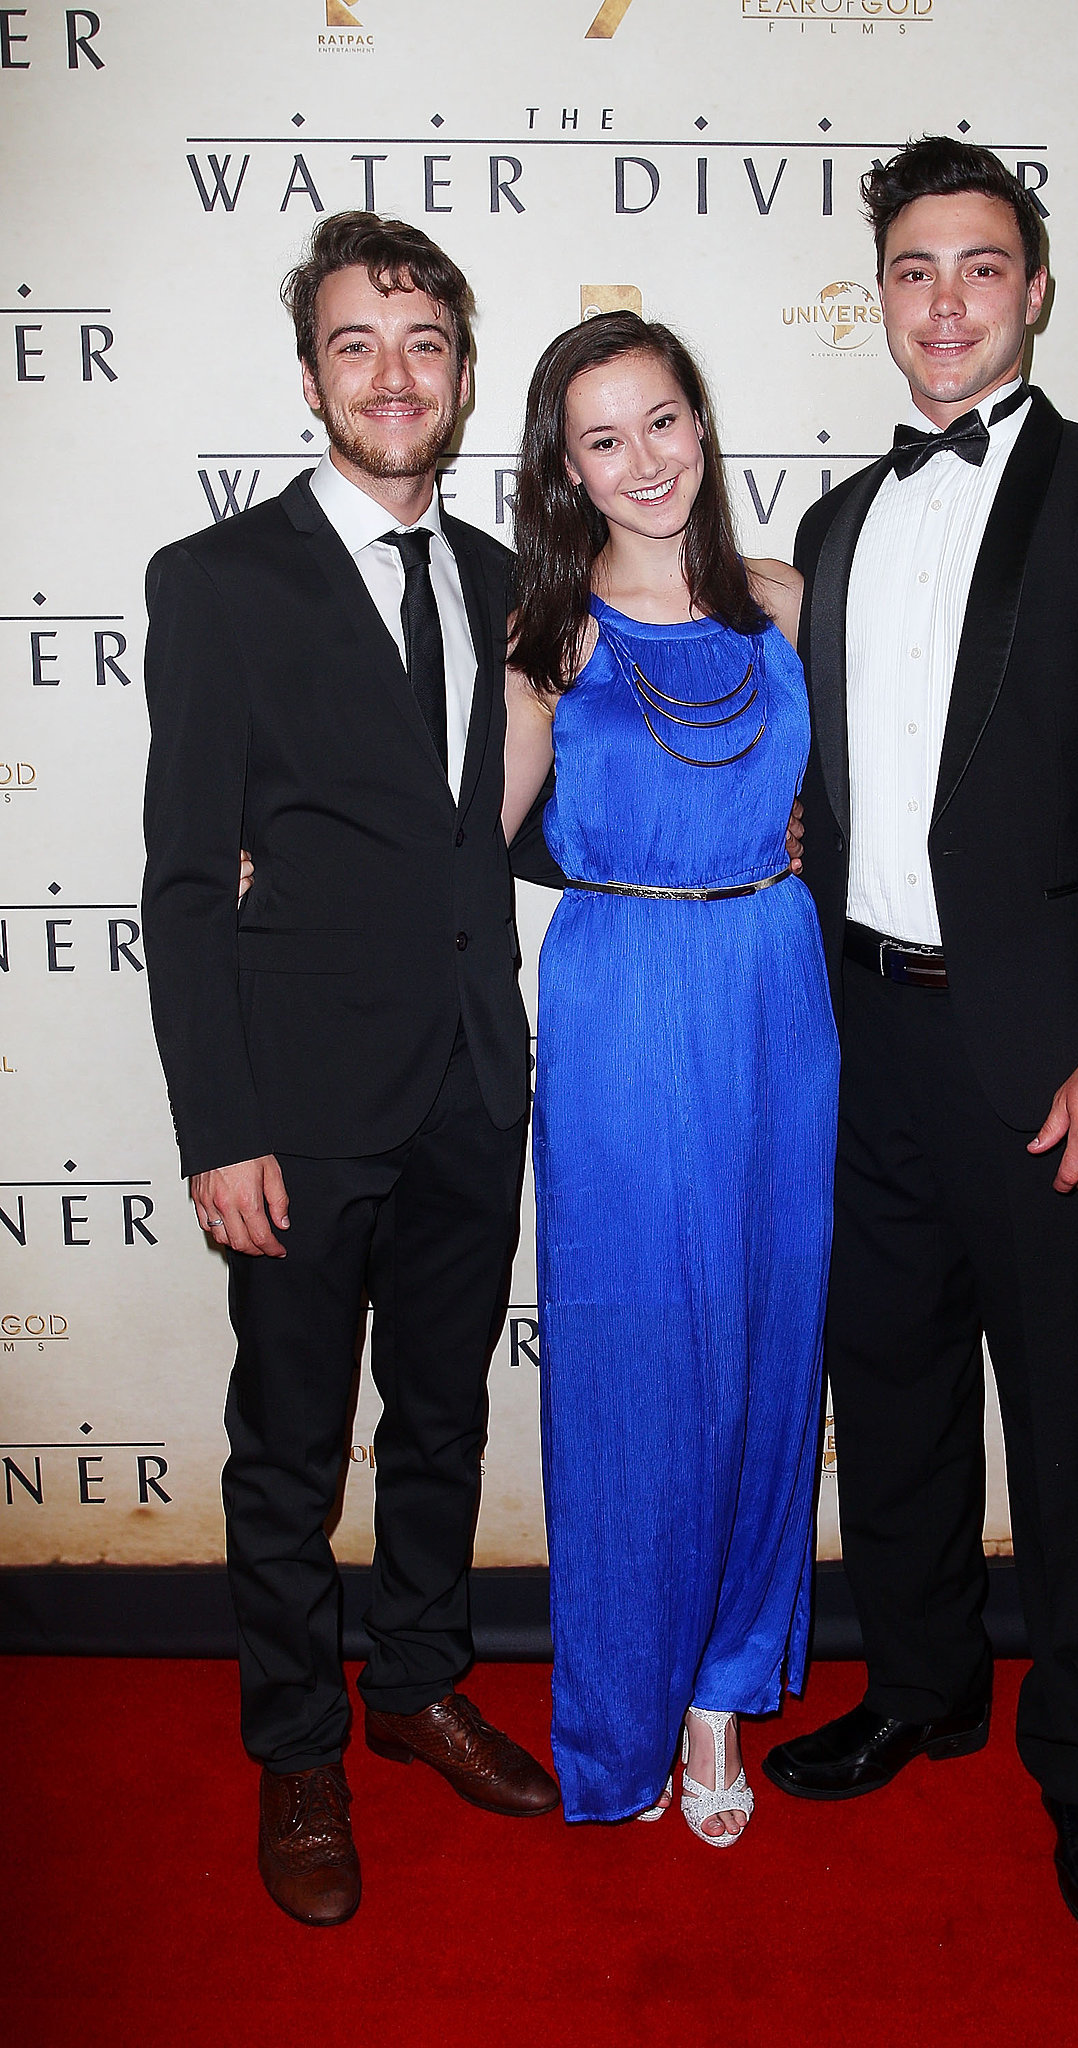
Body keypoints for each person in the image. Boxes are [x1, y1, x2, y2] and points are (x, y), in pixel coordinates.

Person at [761, 139, 1078, 1933]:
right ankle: (918, 1689)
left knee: (1060, 1429)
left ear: (1032, 288)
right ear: (876, 295)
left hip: (1045, 1057)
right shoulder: (835, 521)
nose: (941, 301)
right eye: (909, 269)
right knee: (885, 1399)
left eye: (975, 266)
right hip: (857, 1032)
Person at [141, 212, 562, 1929]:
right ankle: (298, 1748)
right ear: (308, 371)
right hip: (300, 1112)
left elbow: (489, 830)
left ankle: (415, 1686)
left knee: (445, 1422)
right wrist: (221, 1126)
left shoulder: (497, 581)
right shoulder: (218, 582)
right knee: (288, 1450)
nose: (393, 375)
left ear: (460, 372)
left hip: (473, 1082)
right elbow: (181, 880)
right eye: (354, 344)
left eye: (424, 344)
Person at [500, 313, 840, 1841]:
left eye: (662, 421)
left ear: (700, 424)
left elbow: (902, 792)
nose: (644, 461)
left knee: (770, 1351)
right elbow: (456, 840)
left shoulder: (782, 605)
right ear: (565, 470)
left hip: (774, 992)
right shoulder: (550, 634)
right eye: (602, 438)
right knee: (635, 1369)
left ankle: (720, 1700)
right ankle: (625, 1716)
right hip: (623, 1006)